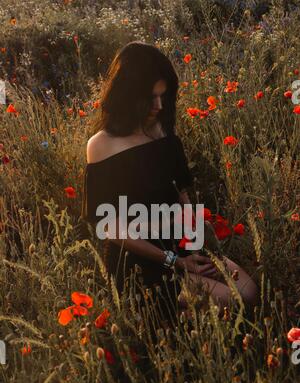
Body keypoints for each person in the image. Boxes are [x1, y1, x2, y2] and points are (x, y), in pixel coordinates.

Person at [80, 41, 258, 327]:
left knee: (249, 292)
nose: (159, 106)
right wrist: (174, 261)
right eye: (150, 98)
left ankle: (178, 317)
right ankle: (166, 320)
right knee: (233, 299)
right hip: (138, 261)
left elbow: (181, 194)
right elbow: (110, 227)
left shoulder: (161, 131)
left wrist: (196, 244)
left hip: (178, 243)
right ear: (128, 95)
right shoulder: (102, 146)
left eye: (163, 96)